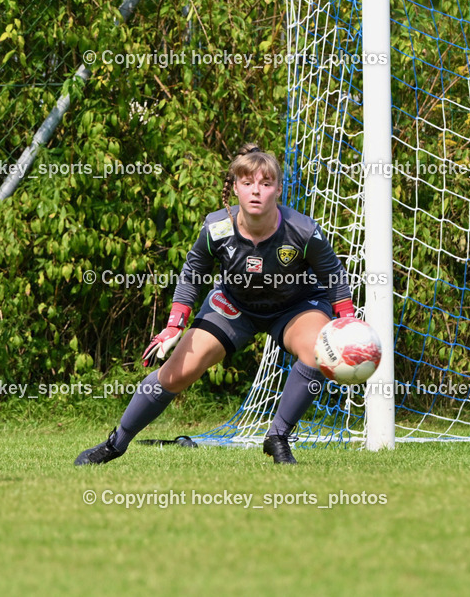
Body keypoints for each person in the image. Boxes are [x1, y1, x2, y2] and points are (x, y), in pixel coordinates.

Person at [75, 144, 355, 466]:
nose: (256, 192)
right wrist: (173, 325)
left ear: (278, 188)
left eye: (265, 184)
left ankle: (277, 437)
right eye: (247, 183)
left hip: (295, 307)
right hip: (235, 307)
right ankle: (115, 444)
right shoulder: (216, 228)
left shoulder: (303, 230)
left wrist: (346, 321)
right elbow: (193, 273)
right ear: (235, 186)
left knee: (319, 350)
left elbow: (333, 273)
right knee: (176, 375)